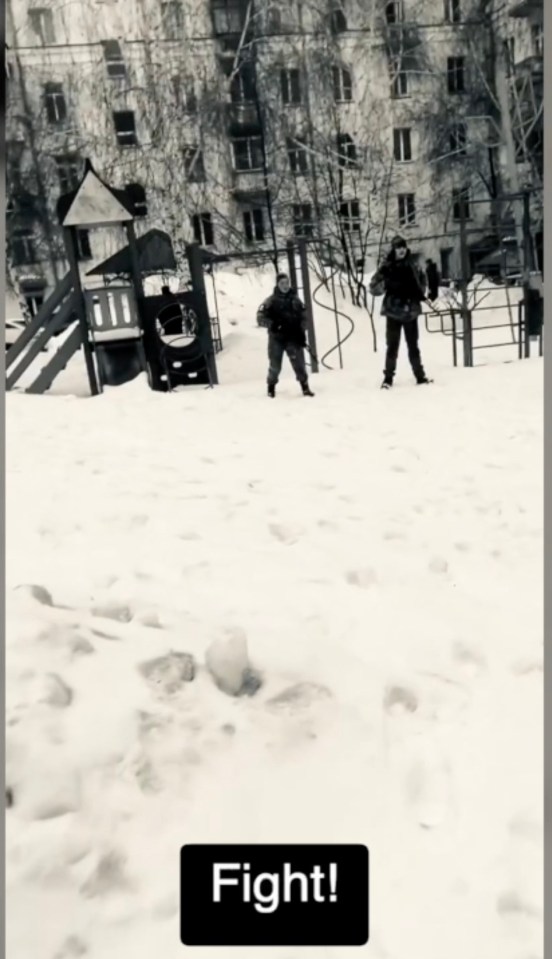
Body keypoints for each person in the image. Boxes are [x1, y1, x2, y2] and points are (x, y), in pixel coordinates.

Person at [369, 236, 432, 390]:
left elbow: (422, 282)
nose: (402, 250)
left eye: (403, 247)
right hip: (393, 311)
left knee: (413, 346)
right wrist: (387, 283)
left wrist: (416, 292)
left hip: (410, 311)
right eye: (398, 247)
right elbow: (373, 287)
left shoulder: (413, 264)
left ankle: (420, 376)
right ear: (394, 249)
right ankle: (388, 378)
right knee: (392, 346)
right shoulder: (387, 266)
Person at [263, 273, 315, 398]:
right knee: (275, 365)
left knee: (299, 364)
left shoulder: (296, 300)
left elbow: (305, 317)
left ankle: (305, 387)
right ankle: (271, 388)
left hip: (292, 338)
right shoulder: (270, 301)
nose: (285, 286)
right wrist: (272, 324)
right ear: (277, 284)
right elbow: (260, 317)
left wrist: (300, 330)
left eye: (287, 283)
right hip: (276, 338)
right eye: (282, 283)